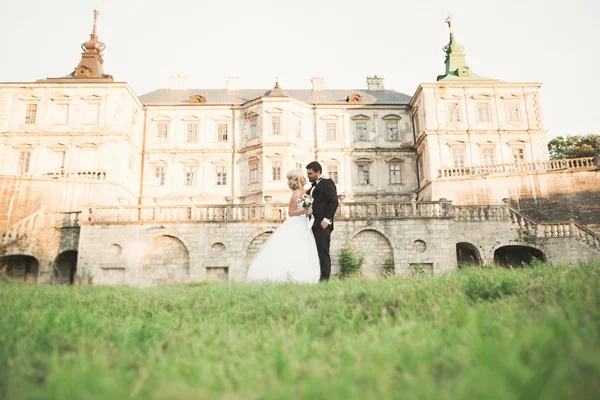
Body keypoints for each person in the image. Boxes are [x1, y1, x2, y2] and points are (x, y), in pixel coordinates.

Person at [245, 169, 320, 284]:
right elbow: (290, 212)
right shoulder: (296, 194)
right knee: (295, 248)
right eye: (302, 177)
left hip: (304, 223)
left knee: (303, 248)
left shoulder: (304, 191)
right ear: (298, 180)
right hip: (297, 223)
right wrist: (304, 211)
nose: (305, 178)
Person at [305, 161, 339, 281]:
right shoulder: (310, 190)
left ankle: (325, 280)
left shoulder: (327, 183)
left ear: (318, 172)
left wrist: (327, 220)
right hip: (312, 225)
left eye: (310, 173)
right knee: (315, 253)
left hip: (323, 224)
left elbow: (334, 202)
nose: (307, 176)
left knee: (323, 253)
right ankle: (317, 277)